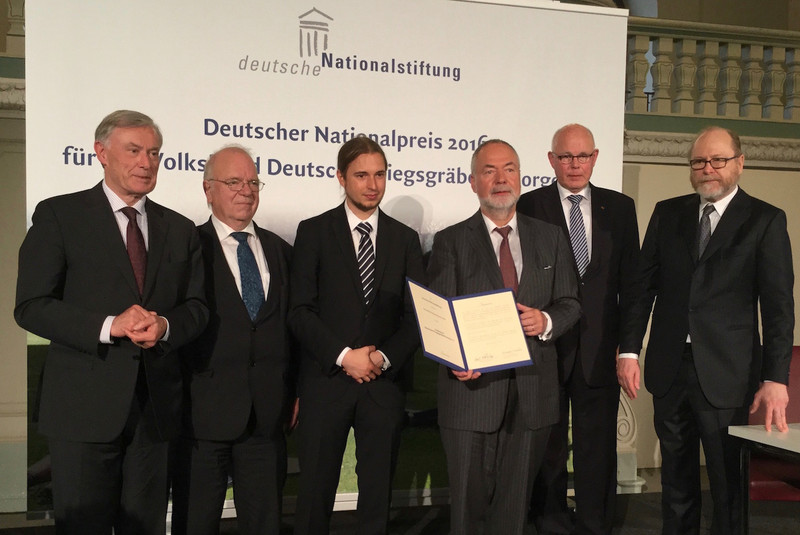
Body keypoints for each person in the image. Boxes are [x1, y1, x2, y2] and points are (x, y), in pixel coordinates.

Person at [14, 109, 208, 534]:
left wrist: (165, 326)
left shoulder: (179, 229)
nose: (146, 162)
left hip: (155, 413)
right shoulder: (60, 215)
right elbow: (31, 305)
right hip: (82, 409)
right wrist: (109, 326)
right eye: (134, 150)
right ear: (101, 152)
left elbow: (197, 308)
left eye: (154, 153)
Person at [618, 126, 794, 535]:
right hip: (669, 368)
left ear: (740, 163)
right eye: (699, 161)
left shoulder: (765, 220)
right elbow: (643, 289)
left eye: (718, 160)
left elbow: (778, 308)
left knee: (727, 484)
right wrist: (628, 350)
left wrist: (775, 378)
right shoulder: (667, 213)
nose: (707, 169)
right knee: (675, 482)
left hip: (728, 375)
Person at [427, 139, 581, 535]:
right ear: (473, 182)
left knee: (513, 513)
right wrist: (455, 359)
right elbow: (438, 316)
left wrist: (546, 320)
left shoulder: (551, 237)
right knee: (468, 511)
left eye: (509, 169)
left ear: (520, 176)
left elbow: (570, 303)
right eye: (489, 170)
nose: (501, 179)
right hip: (471, 394)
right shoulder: (450, 241)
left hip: (532, 393)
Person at [289, 136, 425, 534]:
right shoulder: (314, 232)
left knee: (376, 501)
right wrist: (344, 356)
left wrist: (381, 358)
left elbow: (416, 316)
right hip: (325, 383)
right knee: (313, 498)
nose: (372, 184)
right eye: (362, 175)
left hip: (382, 386)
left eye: (380, 175)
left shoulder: (405, 239)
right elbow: (300, 312)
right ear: (341, 177)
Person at [517, 124, 639, 535]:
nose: (574, 164)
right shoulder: (529, 205)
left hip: (601, 349)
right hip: (545, 347)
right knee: (547, 448)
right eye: (566, 156)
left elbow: (632, 286)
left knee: (597, 448)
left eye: (582, 156)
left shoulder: (619, 208)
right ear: (551, 160)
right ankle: (550, 523)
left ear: (595, 157)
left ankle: (594, 524)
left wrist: (628, 349)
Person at [171, 146, 295, 535]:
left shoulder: (281, 250)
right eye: (234, 181)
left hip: (267, 420)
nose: (246, 190)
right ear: (208, 189)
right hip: (200, 421)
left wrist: (294, 392)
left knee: (265, 525)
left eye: (253, 182)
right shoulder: (186, 247)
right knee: (196, 523)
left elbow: (292, 329)